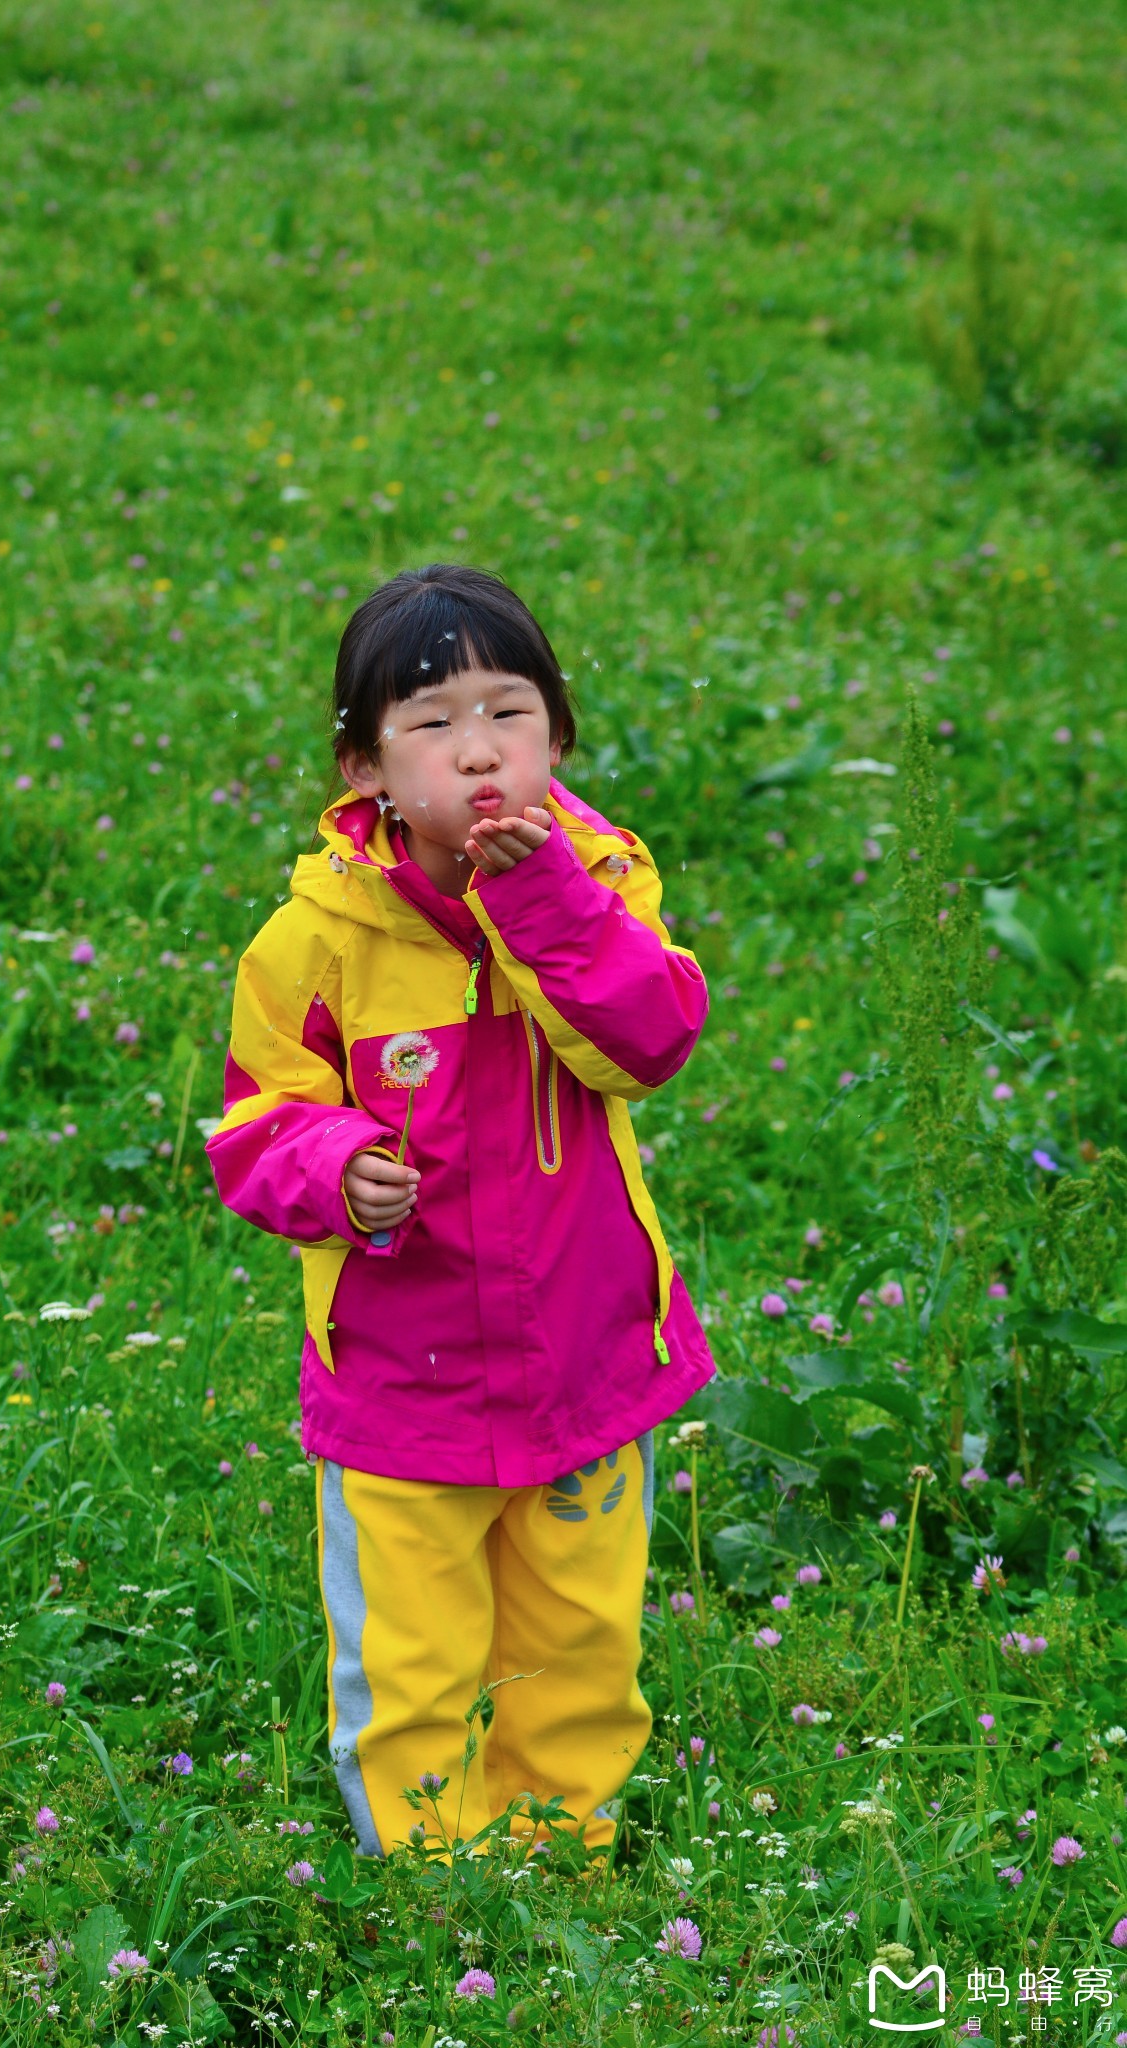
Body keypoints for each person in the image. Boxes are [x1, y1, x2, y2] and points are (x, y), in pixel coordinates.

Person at [206, 562, 716, 1864]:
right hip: (401, 1375)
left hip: (585, 1348)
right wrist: (330, 1167)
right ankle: (437, 1893)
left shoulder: (605, 884)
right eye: (432, 725)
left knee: (578, 1645)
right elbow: (253, 1124)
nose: (478, 753)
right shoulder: (315, 939)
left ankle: (562, 1855)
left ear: (559, 734)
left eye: (511, 715)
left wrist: (539, 897)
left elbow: (645, 1039)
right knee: (415, 1661)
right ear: (366, 768)